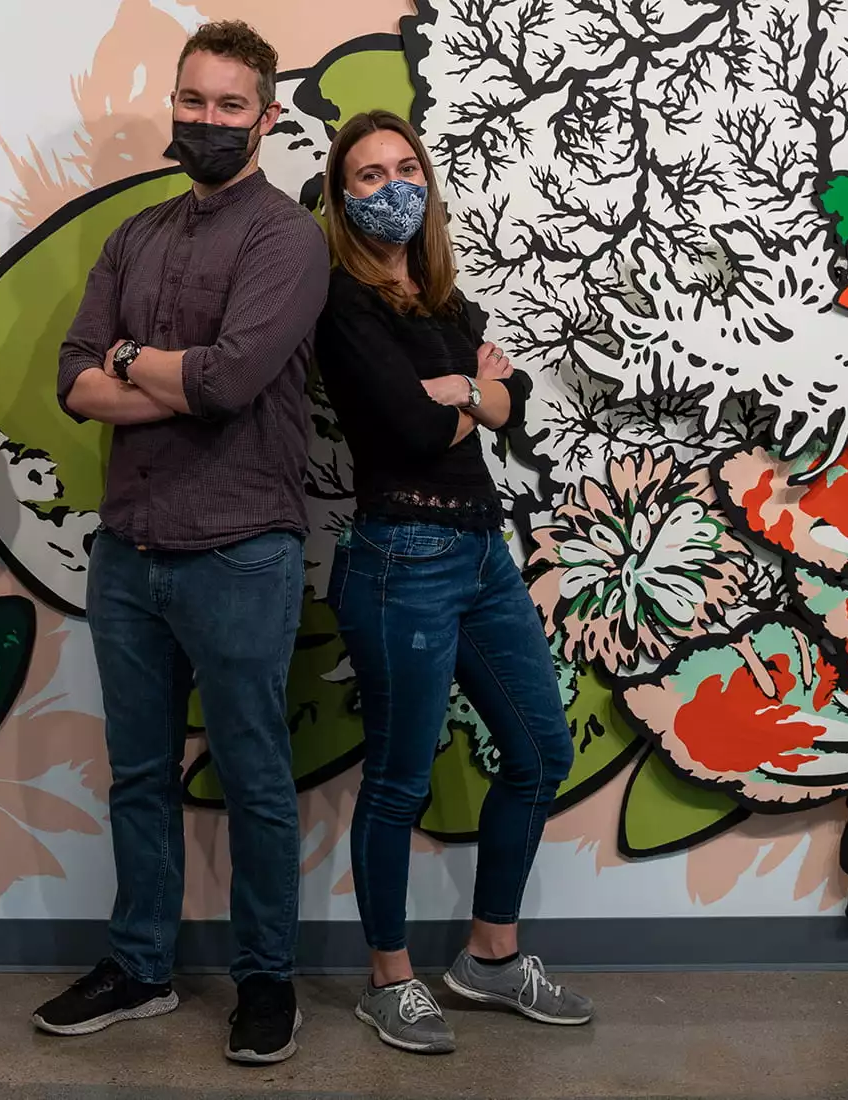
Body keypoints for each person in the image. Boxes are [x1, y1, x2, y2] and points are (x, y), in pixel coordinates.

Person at [37, 20, 328, 1066]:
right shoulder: (136, 236)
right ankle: (139, 964)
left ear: (266, 115)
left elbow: (233, 381)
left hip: (242, 549)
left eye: (228, 106)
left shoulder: (287, 238)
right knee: (139, 774)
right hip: (129, 552)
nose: (205, 121)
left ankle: (264, 980)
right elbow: (75, 378)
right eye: (191, 101)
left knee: (254, 776)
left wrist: (144, 367)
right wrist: (161, 367)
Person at [315, 109, 594, 1055]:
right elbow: (410, 429)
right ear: (340, 197)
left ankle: (490, 960)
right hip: (399, 561)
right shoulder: (341, 304)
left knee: (541, 754)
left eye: (405, 167)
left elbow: (502, 411)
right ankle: (388, 980)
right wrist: (471, 393)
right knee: (398, 780)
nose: (392, 187)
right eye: (366, 176)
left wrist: (469, 394)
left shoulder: (445, 300)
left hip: (482, 554)